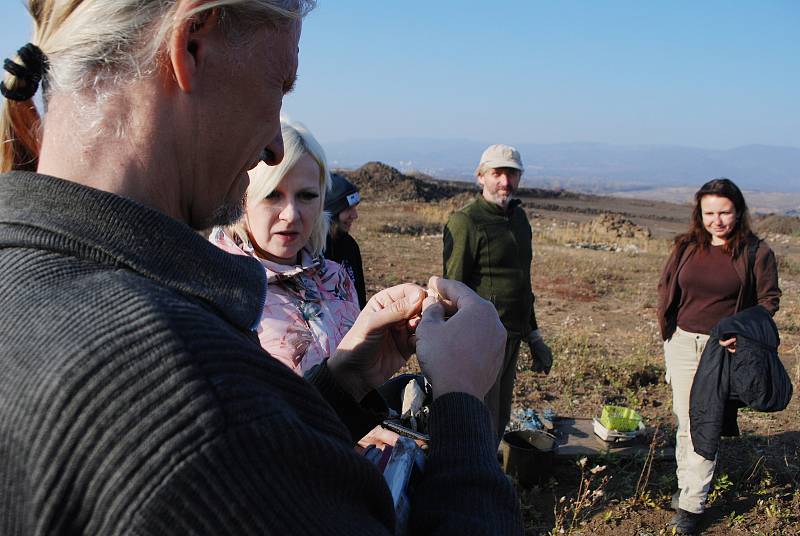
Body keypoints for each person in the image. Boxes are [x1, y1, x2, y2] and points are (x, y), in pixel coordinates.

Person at [0, 2, 523, 534]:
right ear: (191, 45)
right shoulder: (191, 393)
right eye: (278, 87)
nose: (275, 144)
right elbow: (229, 442)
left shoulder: (27, 276)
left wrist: (343, 384)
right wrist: (462, 405)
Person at [657, 178, 780, 534]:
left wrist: (740, 333)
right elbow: (669, 287)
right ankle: (687, 490)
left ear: (738, 211)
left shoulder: (756, 251)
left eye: (724, 212)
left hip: (720, 349)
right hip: (680, 343)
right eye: (709, 212)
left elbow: (768, 301)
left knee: (704, 421)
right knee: (684, 417)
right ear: (700, 213)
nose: (717, 220)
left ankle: (692, 505)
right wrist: (668, 331)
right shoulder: (686, 246)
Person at [211, 121, 360, 375]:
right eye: (272, 195)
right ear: (242, 198)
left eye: (307, 196)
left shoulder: (337, 279)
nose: (291, 215)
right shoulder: (214, 291)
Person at [443, 143, 553, 444]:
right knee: (481, 415)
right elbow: (453, 286)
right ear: (481, 177)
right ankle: (478, 479)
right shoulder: (466, 221)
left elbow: (522, 282)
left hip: (512, 335)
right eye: (497, 173)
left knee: (501, 413)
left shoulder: (519, 219)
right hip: (483, 337)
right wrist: (456, 343)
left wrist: (534, 335)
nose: (505, 181)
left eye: (512, 174)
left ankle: (491, 470)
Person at [325, 172, 367, 308]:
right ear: (331, 210)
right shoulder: (311, 250)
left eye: (355, 208)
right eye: (348, 209)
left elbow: (359, 294)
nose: (355, 215)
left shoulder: (350, 246)